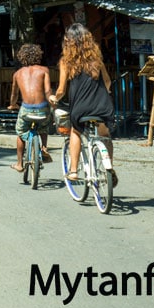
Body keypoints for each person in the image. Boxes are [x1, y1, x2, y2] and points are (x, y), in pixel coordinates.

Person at [48, 23, 117, 187]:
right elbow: (107, 82)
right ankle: (110, 168)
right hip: (102, 105)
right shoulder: (96, 59)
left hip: (80, 107)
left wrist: (54, 98)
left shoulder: (66, 61)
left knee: (76, 131)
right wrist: (106, 96)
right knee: (105, 134)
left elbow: (61, 90)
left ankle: (73, 171)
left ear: (69, 41)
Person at [7, 43, 54, 171]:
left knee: (21, 133)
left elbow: (14, 94)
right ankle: (44, 147)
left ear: (22, 57)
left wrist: (12, 104)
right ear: (38, 56)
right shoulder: (44, 70)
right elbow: (48, 91)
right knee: (44, 128)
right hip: (42, 107)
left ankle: (19, 164)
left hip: (26, 109)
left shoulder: (17, 74)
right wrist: (52, 105)